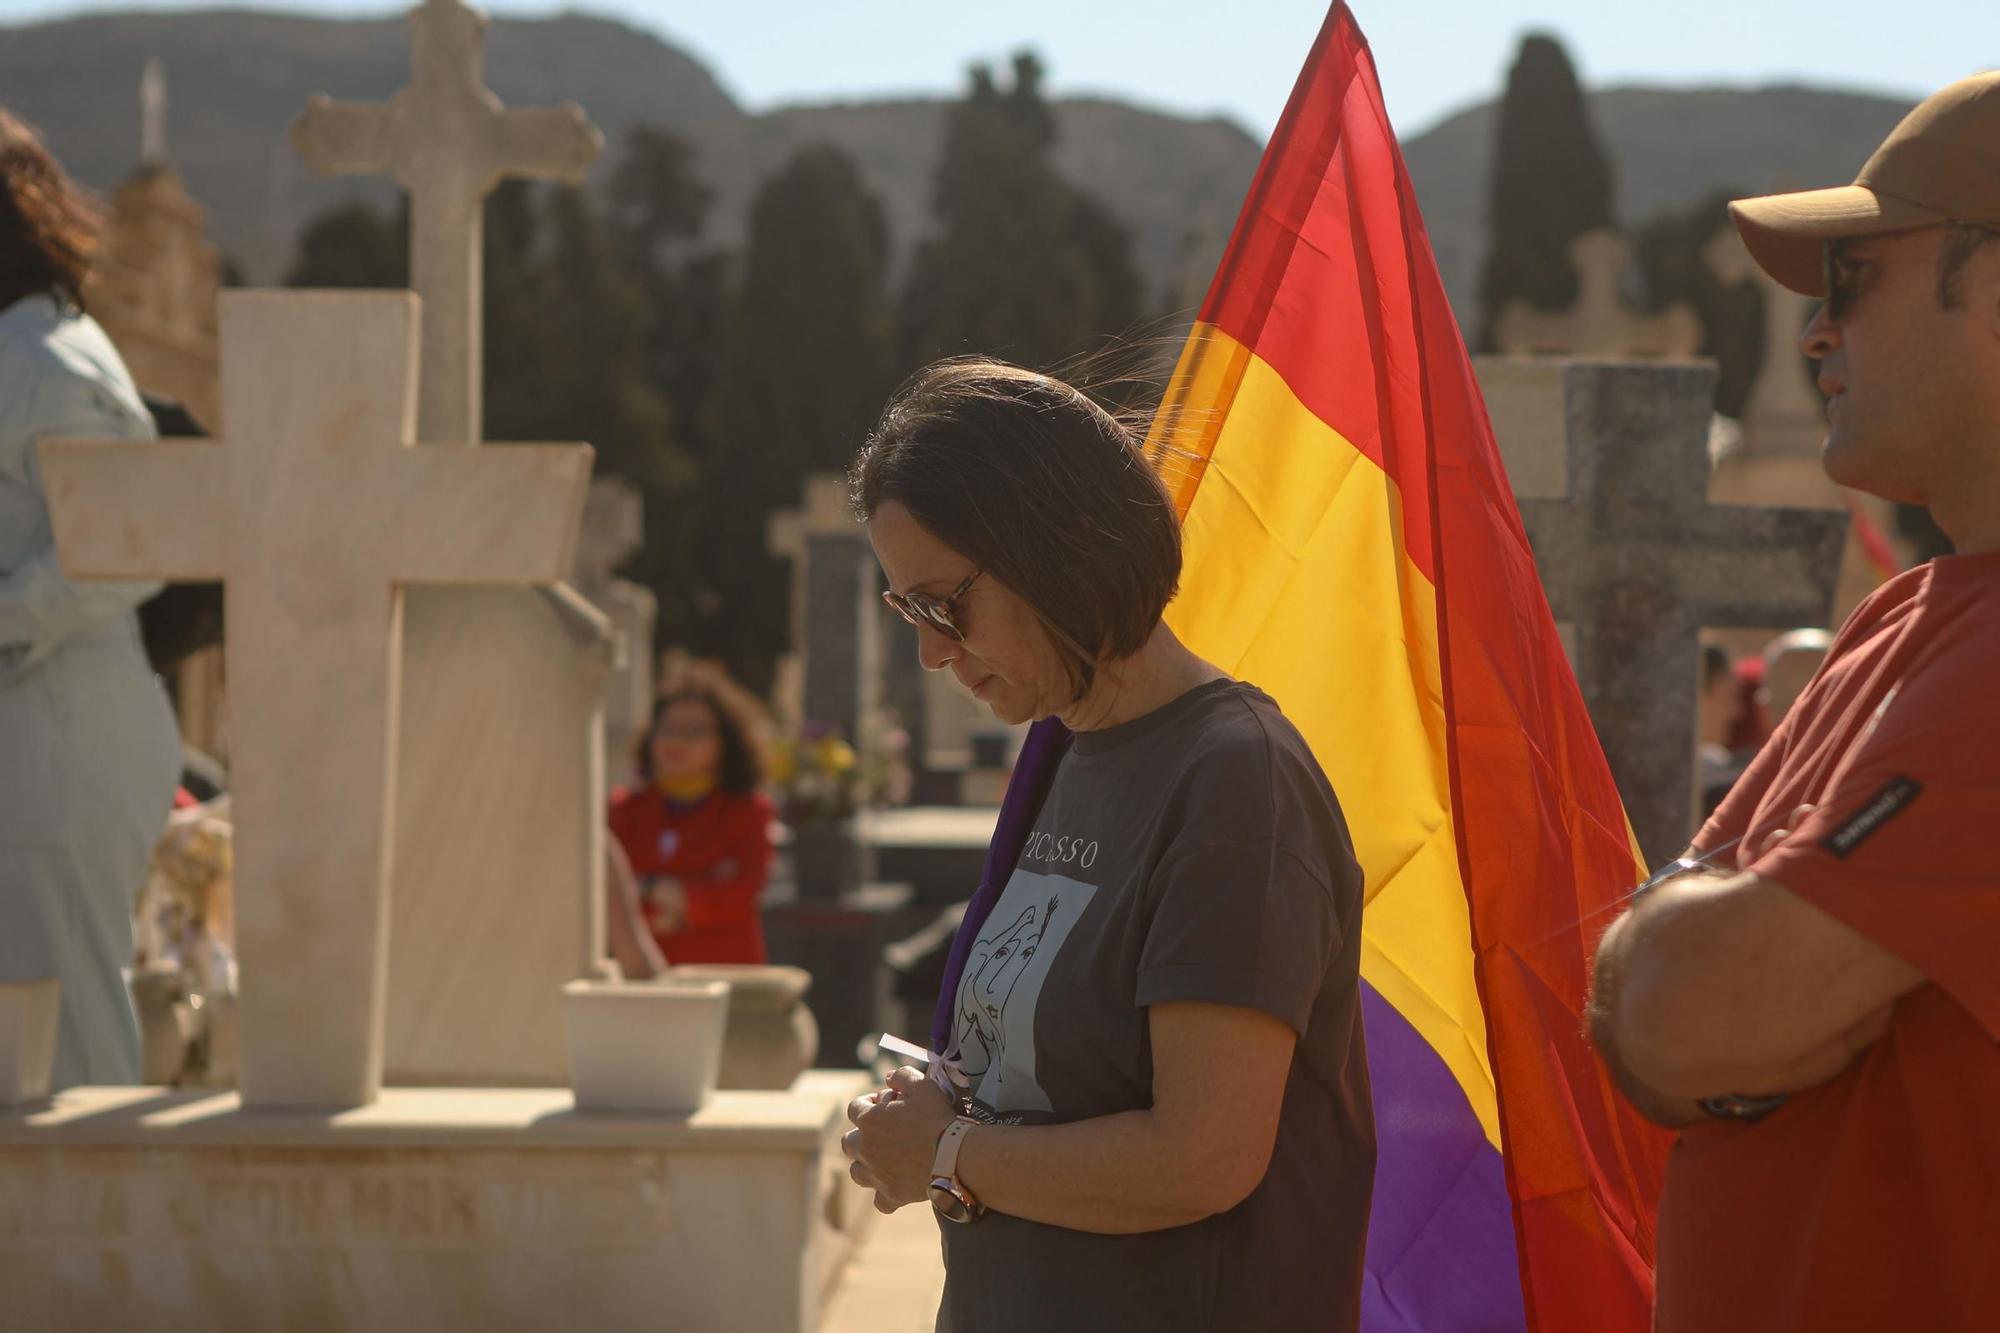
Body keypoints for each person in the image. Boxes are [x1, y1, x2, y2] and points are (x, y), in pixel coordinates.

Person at [839, 360, 1374, 1332]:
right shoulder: (1067, 749)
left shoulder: (1231, 781)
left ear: (1054, 551)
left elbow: (1201, 1156)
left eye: (942, 605)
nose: (930, 651)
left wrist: (948, 1152)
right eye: (906, 611)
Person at [1588, 71, 2000, 1333]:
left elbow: (1676, 1007)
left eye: (1851, 279)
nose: (1815, 333)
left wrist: (1686, 960)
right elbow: (1657, 1003)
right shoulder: (1899, 617)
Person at [0, 108, 181, 1089]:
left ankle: (107, 1249)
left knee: (61, 1040)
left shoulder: (48, 361)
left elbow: (124, 546)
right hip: (30, 721)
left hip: (54, 740)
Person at [607, 677, 776, 965]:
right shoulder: (622, 810)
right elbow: (604, 891)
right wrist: (669, 894)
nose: (677, 740)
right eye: (668, 728)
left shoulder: (747, 811)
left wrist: (658, 894)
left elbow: (744, 892)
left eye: (694, 731)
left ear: (725, 743)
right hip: (644, 977)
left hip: (725, 972)